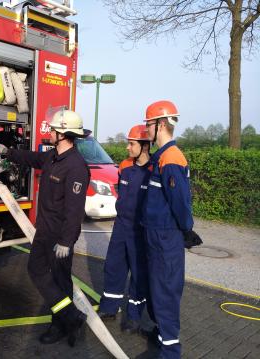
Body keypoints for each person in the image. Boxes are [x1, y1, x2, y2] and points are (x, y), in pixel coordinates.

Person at [0, 109, 90, 347]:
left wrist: (66, 242)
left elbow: (74, 211)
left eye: (54, 129)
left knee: (57, 279)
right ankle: (71, 318)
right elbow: (33, 158)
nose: (50, 132)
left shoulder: (76, 167)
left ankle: (61, 324)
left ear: (64, 134)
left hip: (59, 237)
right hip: (44, 231)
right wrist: (9, 152)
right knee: (44, 274)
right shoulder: (53, 157)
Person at [141, 100, 193, 359]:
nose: (146, 129)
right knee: (156, 290)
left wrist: (186, 229)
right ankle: (162, 336)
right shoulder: (160, 157)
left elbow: (180, 202)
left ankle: (171, 352)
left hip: (166, 236)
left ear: (161, 124)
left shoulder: (171, 158)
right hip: (156, 234)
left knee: (165, 292)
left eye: (148, 124)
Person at [98, 124, 151, 334]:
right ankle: (109, 308)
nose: (128, 148)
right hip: (121, 226)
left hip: (141, 229)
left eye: (131, 143)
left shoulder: (155, 170)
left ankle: (134, 317)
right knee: (113, 267)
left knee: (139, 274)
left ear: (145, 145)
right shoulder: (124, 166)